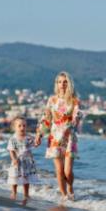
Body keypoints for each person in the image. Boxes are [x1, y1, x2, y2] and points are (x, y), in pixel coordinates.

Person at [35, 71, 82, 202]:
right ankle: (64, 197)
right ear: (56, 84)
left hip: (69, 138)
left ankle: (70, 188)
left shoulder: (74, 100)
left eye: (65, 81)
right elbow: (46, 118)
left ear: (69, 84)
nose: (62, 84)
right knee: (59, 170)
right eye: (60, 82)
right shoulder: (52, 100)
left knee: (67, 171)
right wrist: (39, 134)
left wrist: (76, 119)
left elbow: (77, 114)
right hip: (55, 137)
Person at [7, 116, 38, 205]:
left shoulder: (28, 138)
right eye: (19, 126)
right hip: (17, 161)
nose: (22, 128)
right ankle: (14, 192)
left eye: (24, 125)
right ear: (14, 127)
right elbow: (11, 150)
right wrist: (14, 159)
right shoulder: (13, 139)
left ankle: (26, 194)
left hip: (27, 161)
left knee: (26, 179)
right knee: (15, 178)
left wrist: (37, 140)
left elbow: (35, 144)